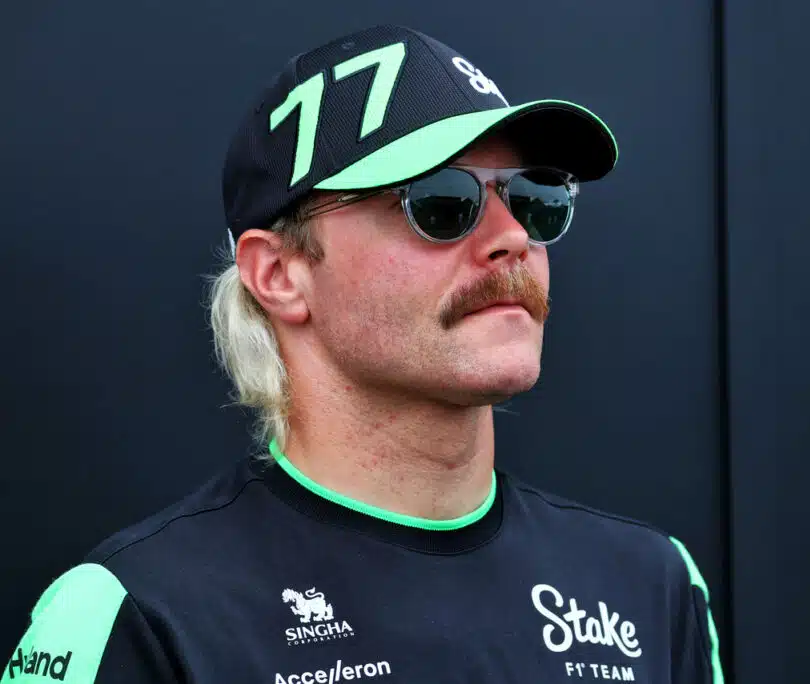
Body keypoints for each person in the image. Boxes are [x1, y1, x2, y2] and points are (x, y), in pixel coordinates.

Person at [3, 24, 724, 684]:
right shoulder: (139, 614)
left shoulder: (651, 587)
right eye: (442, 201)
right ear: (279, 274)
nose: (512, 237)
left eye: (536, 197)